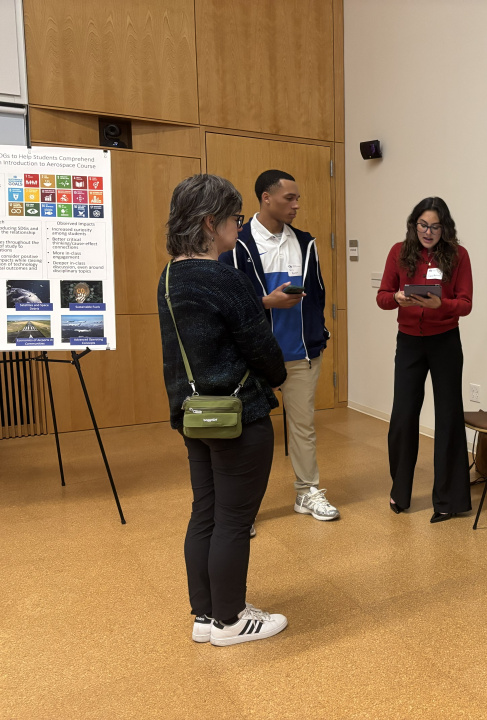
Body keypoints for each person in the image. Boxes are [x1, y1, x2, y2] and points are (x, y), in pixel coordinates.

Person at [158, 174, 289, 646]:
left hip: (194, 416)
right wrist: (278, 376)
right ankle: (231, 620)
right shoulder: (225, 279)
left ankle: (206, 616)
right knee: (234, 521)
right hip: (239, 417)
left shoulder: (169, 277)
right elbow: (265, 353)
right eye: (235, 218)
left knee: (206, 515)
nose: (239, 225)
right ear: (211, 223)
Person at [221, 169, 337, 526]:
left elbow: (316, 294)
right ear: (266, 198)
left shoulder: (306, 242)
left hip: (300, 354)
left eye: (298, 198)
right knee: (245, 434)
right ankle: (241, 510)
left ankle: (307, 492)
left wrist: (319, 335)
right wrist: (265, 303)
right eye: (290, 198)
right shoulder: (235, 244)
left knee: (303, 427)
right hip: (253, 356)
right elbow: (226, 301)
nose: (297, 205)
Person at [376, 197, 473, 522]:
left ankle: (449, 500)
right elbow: (382, 297)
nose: (428, 232)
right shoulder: (398, 252)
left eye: (434, 226)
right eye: (422, 225)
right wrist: (399, 298)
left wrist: (439, 306)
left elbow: (465, 303)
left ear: (444, 228)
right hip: (409, 343)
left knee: (448, 417)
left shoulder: (458, 255)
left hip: (445, 341)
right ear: (413, 224)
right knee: (403, 417)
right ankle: (399, 492)